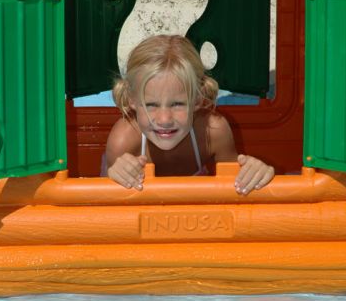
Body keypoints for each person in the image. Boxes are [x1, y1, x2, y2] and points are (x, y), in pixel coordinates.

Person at [103, 34, 274, 194]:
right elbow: (104, 204)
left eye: (177, 104)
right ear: (132, 99)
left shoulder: (213, 131)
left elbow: (234, 185)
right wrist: (116, 174)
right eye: (151, 105)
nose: (164, 119)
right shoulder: (123, 141)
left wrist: (254, 172)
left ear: (197, 99)